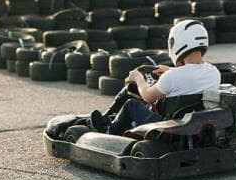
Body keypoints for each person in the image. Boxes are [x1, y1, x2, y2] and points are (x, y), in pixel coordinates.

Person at [89, 19, 221, 135]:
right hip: (194, 124)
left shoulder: (172, 77)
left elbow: (147, 96)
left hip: (167, 126)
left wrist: (138, 78)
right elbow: (191, 76)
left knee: (131, 105)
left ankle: (108, 130)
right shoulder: (213, 72)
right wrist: (169, 70)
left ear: (179, 43)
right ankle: (112, 118)